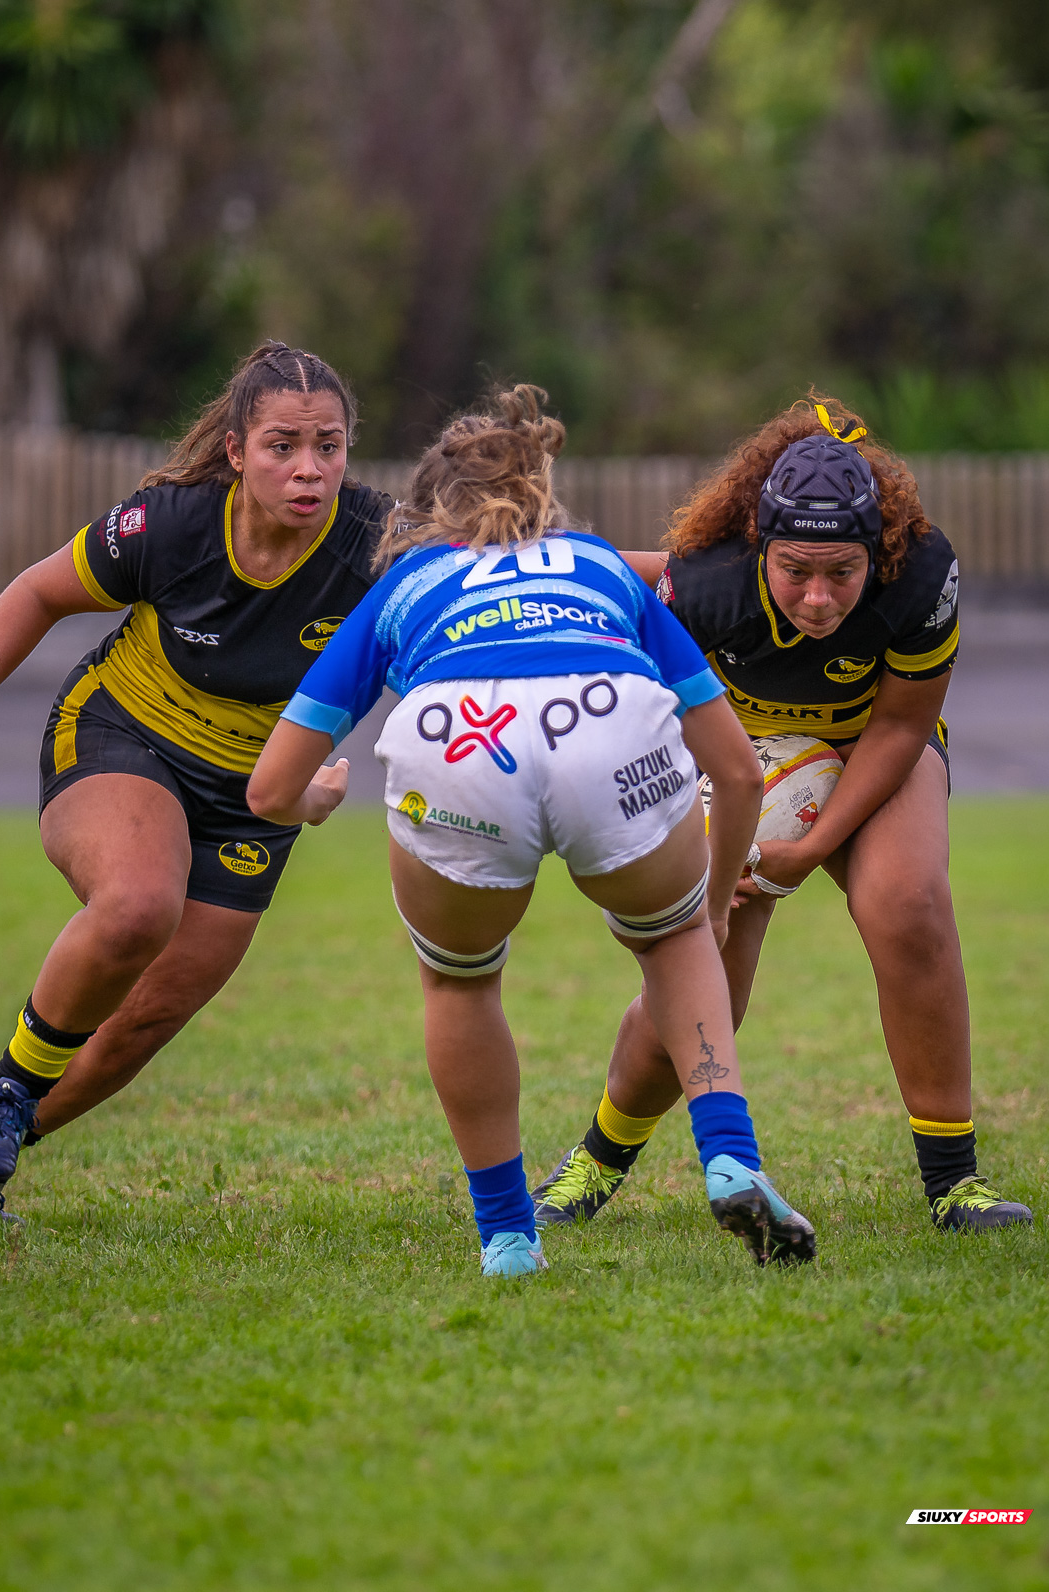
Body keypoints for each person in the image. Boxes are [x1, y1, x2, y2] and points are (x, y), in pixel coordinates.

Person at [246, 384, 817, 1278]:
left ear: (433, 515)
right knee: (672, 947)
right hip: (608, 724)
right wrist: (710, 906)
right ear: (542, 500)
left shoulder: (409, 581)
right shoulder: (595, 564)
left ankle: (510, 1237)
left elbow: (270, 787)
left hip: (458, 743)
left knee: (461, 985)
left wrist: (312, 802)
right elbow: (740, 771)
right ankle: (731, 1159)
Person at [0, 342, 390, 1223]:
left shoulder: (379, 543)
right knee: (137, 907)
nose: (309, 468)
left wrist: (302, 793)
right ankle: (6, 1094)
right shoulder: (172, 525)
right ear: (238, 451)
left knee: (144, 1019)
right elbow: (38, 592)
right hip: (123, 734)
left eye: (329, 445)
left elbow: (492, 591)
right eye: (283, 445)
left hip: (252, 793)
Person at [531, 398, 1032, 1236]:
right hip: (747, 752)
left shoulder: (921, 575)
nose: (818, 596)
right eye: (796, 569)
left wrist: (815, 846)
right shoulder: (705, 579)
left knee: (907, 903)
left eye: (842, 572)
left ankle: (955, 1184)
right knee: (709, 963)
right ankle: (596, 1159)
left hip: (873, 740)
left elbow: (904, 726)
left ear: (878, 553)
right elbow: (612, 625)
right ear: (758, 548)